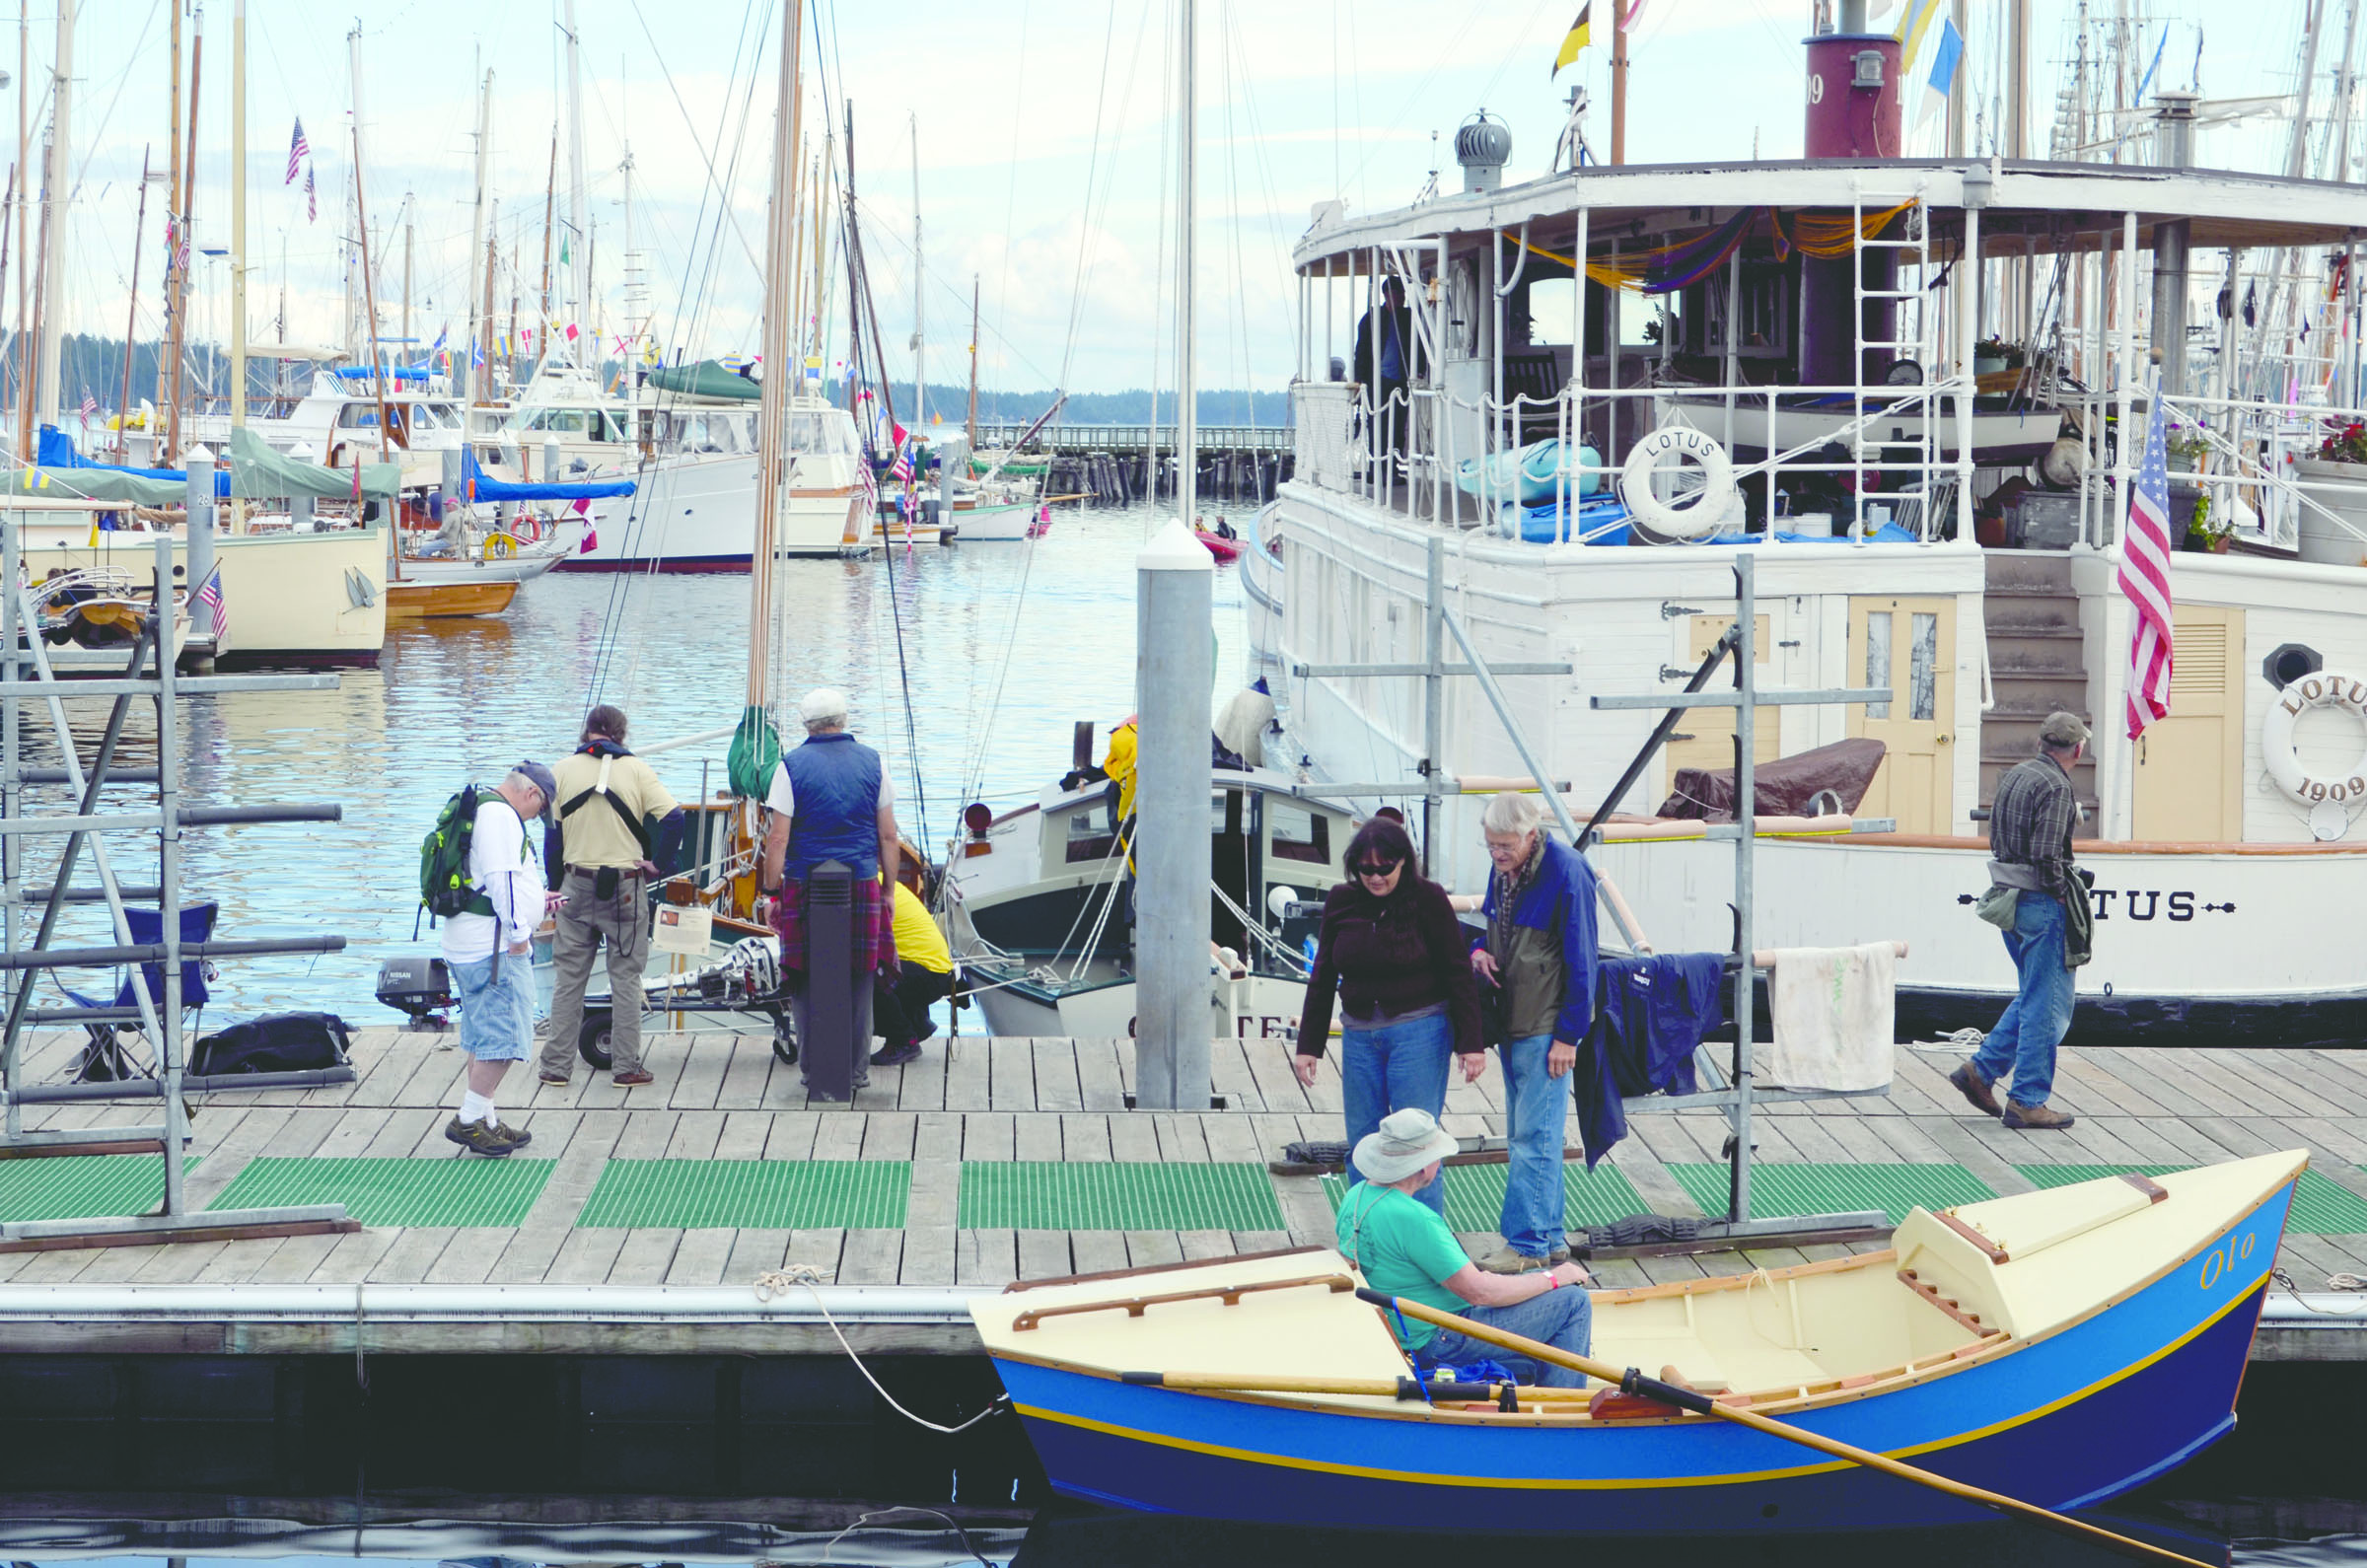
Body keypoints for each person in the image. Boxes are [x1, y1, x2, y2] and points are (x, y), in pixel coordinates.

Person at [1293, 817, 1484, 1216]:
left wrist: (1471, 1043)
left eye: (1385, 869)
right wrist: (1308, 1046)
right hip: (1360, 1035)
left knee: (1418, 1146)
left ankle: (1426, 1241)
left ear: (1403, 863)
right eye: (1366, 869)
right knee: (1363, 1142)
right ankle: (1366, 1233)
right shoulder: (1341, 901)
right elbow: (1323, 973)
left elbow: (1457, 972)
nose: (1375, 877)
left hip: (1420, 1029)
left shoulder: (1429, 899)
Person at [1336, 1108, 1593, 1386]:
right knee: (1573, 1302)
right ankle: (1559, 1411)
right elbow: (1478, 1292)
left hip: (1398, 1331)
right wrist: (1554, 1277)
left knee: (1528, 1290)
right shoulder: (1415, 1218)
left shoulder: (1355, 1195)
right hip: (1436, 1340)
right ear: (1423, 1166)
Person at [1470, 792, 1600, 1273]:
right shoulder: (1505, 868)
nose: (1497, 855)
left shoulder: (1568, 871)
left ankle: (1524, 1245)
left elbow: (1583, 960)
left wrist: (1569, 1035)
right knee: (1534, 1133)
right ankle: (1548, 1238)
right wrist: (1480, 950)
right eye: (1490, 847)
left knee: (1533, 1137)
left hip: (1545, 1025)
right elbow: (1491, 926)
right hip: (1513, 1018)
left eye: (1504, 846)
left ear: (1530, 834)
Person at [1952, 711, 2091, 1131]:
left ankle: (1980, 1071)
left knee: (2035, 996)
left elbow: (2000, 837)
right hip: (2041, 902)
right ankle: (2028, 1100)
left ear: (2042, 743)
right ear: (2078, 750)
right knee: (2049, 1006)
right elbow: (2048, 855)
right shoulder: (2056, 786)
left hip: (2009, 898)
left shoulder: (2016, 775)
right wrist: (2062, 893)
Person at [540, 705, 685, 1090]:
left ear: (586, 731)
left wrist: (554, 884)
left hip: (574, 883)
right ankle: (625, 1067)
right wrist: (660, 863)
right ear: (622, 734)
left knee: (569, 977)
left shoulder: (561, 770)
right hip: (625, 886)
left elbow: (553, 838)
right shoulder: (637, 769)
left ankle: (556, 1066)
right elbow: (674, 818)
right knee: (625, 976)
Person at [761, 689, 900, 1070]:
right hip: (860, 880)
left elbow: (778, 839)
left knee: (805, 979)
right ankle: (855, 1072)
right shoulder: (874, 763)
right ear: (843, 720)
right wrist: (887, 890)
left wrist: (771, 891)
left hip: (805, 883)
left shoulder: (789, 766)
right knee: (861, 978)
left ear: (807, 724)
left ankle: (812, 1069)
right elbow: (888, 837)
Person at [441, 762, 561, 1157]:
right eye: (538, 810)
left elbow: (501, 880)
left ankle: (487, 1119)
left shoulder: (481, 809)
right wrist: (520, 937)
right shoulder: (501, 817)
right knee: (506, 1038)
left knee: (483, 1034)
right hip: (494, 948)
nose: (535, 819)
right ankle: (470, 1119)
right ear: (531, 795)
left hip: (469, 942)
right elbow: (502, 880)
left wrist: (536, 898)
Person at [872, 868, 955, 1067]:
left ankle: (904, 1040)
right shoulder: (880, 882)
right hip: (936, 971)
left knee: (866, 977)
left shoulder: (870, 892)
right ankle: (916, 1023)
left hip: (927, 974)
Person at [1352, 275, 1413, 464]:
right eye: (1399, 293)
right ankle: (1376, 468)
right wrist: (1360, 379)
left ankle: (1392, 469)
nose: (1403, 297)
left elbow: (1416, 346)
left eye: (1403, 293)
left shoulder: (1408, 318)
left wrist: (1417, 371)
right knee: (1377, 424)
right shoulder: (1371, 319)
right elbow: (1361, 351)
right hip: (1377, 380)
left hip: (1400, 380)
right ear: (1388, 295)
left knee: (1397, 426)